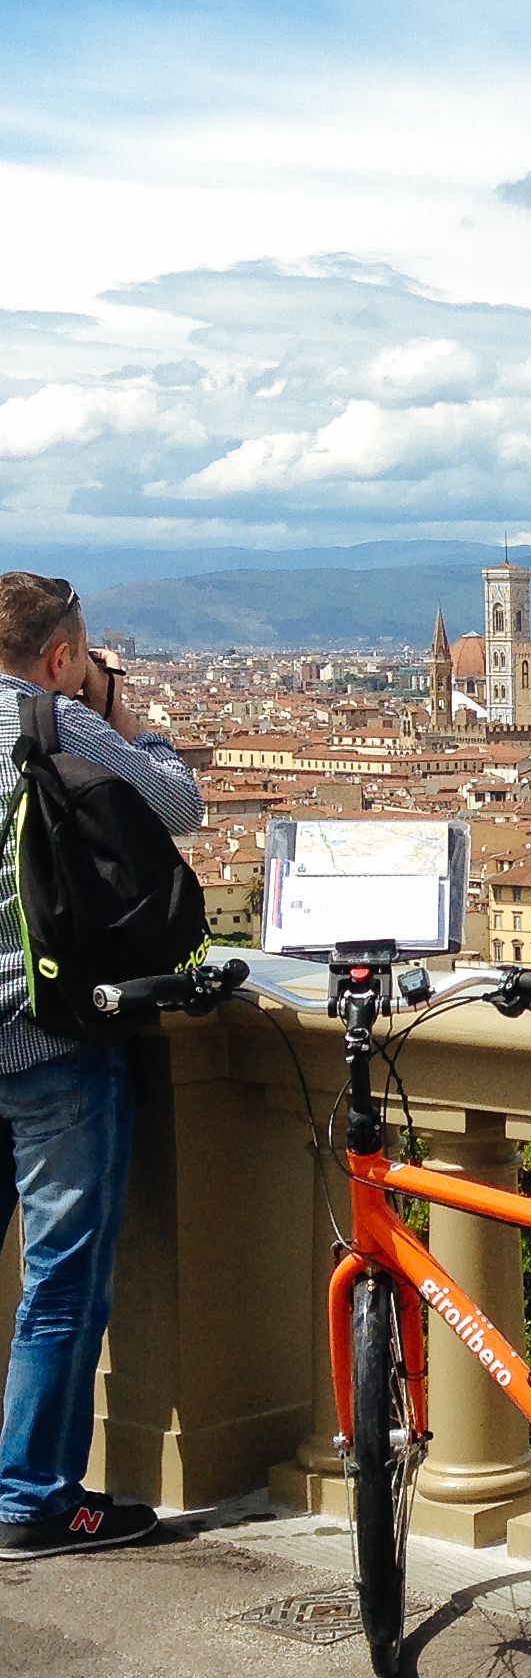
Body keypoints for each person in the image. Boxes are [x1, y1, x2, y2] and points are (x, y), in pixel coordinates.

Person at [0, 573, 203, 1560]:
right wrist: (116, 707)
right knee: (62, 1282)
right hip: (43, 1039)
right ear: (58, 657)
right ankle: (34, 1497)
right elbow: (179, 802)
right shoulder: (54, 720)